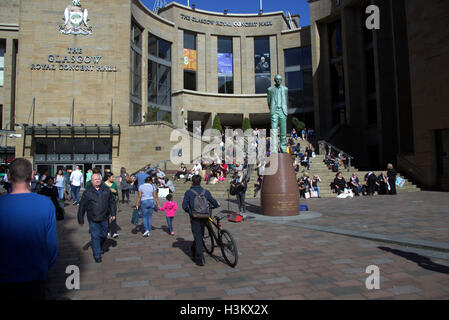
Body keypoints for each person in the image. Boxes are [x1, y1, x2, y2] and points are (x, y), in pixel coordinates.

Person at [0, 158, 58, 299]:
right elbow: (51, 246)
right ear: (32, 175)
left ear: (8, 177)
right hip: (35, 274)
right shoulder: (46, 204)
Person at [78, 173, 116, 263]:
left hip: (104, 217)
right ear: (91, 181)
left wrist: (113, 213)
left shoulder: (106, 190)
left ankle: (99, 245)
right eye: (95, 179)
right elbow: (82, 206)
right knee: (95, 236)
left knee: (103, 234)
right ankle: (97, 255)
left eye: (98, 179)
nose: (97, 180)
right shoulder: (87, 192)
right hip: (93, 218)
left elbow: (111, 202)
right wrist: (80, 218)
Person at [182, 175, 220, 266]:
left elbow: (184, 206)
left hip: (195, 217)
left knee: (198, 236)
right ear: (200, 182)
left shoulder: (188, 192)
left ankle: (199, 259)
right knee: (200, 235)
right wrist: (216, 205)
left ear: (192, 182)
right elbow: (213, 201)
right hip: (205, 216)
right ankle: (194, 248)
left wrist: (191, 212)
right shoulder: (205, 192)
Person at [104, 172, 119, 239]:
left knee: (113, 217)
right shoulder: (103, 184)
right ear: (108, 177)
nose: (113, 178)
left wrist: (115, 191)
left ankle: (114, 232)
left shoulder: (114, 184)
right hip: (105, 202)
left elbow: (117, 192)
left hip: (113, 202)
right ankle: (106, 230)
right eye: (112, 177)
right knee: (106, 217)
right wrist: (110, 190)